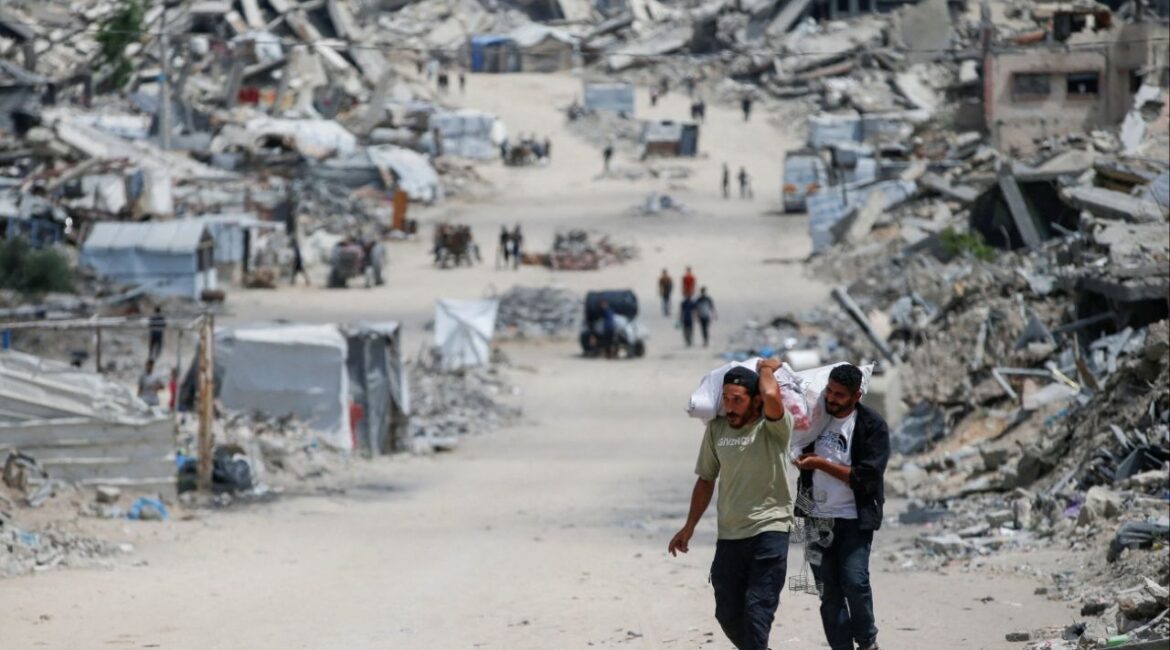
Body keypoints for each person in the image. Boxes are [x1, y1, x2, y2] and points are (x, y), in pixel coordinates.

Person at [668, 361, 795, 650]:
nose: (730, 407)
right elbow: (705, 480)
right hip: (730, 535)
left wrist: (765, 369)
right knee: (726, 613)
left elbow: (773, 398)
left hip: (770, 530)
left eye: (738, 400)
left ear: (756, 401)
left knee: (756, 611)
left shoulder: (774, 428)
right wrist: (688, 528)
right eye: (726, 399)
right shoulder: (716, 430)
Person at [792, 364, 889, 650]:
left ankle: (867, 641)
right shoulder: (815, 418)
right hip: (814, 519)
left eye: (839, 395)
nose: (832, 399)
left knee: (855, 583)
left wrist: (821, 464)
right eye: (829, 392)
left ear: (856, 396)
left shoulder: (872, 426)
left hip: (853, 519)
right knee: (828, 593)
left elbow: (866, 478)